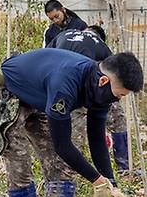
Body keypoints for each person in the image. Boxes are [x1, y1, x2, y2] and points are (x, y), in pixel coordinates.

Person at [0, 49, 142, 197]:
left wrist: (111, 184)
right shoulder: (66, 84)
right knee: (20, 162)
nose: (118, 100)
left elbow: (96, 138)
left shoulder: (100, 90)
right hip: (4, 90)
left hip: (38, 96)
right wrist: (97, 181)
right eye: (120, 94)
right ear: (104, 81)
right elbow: (63, 145)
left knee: (60, 165)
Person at [47, 26, 131, 171]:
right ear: (99, 37)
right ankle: (123, 166)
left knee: (71, 133)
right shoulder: (102, 47)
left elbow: (47, 56)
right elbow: (115, 78)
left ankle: (72, 171)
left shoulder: (64, 34)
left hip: (62, 88)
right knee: (117, 119)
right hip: (83, 87)